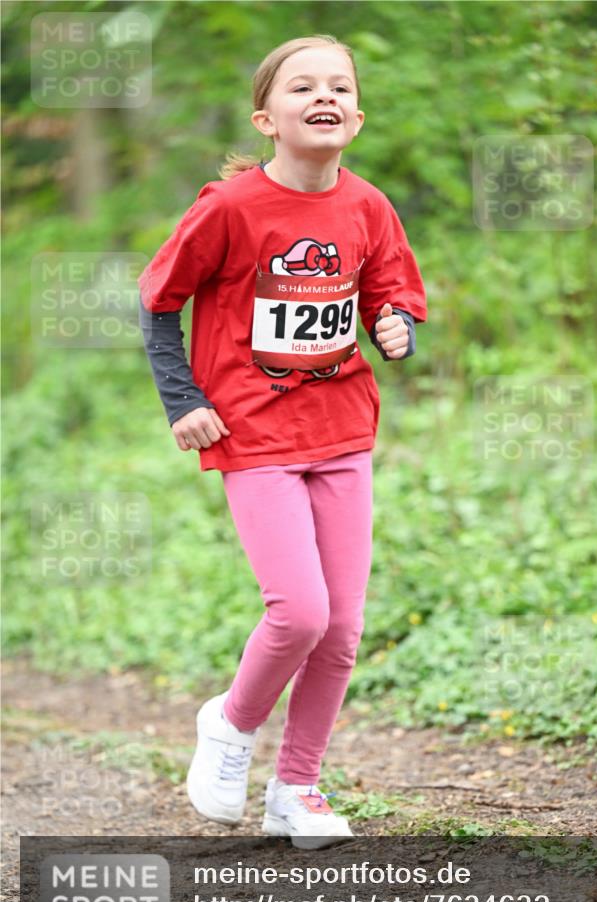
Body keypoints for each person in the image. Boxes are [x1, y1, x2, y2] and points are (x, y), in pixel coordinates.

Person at [137, 34, 428, 850]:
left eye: (339, 86)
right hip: (253, 431)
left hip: (341, 430)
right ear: (266, 118)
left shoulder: (368, 206)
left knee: (340, 630)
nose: (323, 96)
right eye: (302, 87)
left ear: (356, 117)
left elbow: (389, 288)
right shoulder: (230, 208)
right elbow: (158, 301)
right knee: (299, 612)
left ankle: (297, 786)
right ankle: (230, 726)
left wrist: (394, 325)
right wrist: (182, 399)